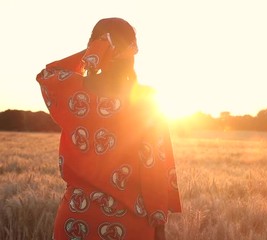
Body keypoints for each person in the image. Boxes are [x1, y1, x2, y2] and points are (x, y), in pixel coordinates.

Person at [36, 17, 181, 240]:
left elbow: (48, 74)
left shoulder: (73, 93)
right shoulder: (145, 101)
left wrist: (96, 52)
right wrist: (159, 224)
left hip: (74, 223)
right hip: (128, 226)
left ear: (94, 48)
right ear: (131, 52)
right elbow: (155, 170)